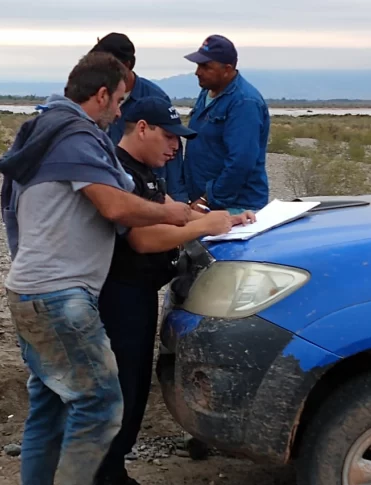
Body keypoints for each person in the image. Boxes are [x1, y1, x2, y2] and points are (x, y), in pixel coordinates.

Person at [0, 52, 194, 485]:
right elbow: (116, 205)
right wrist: (177, 215)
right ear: (101, 95)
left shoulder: (43, 128)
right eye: (120, 100)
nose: (122, 110)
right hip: (59, 295)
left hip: (30, 289)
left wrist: (170, 210)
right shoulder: (74, 135)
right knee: (102, 405)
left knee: (49, 407)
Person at [93, 96, 255, 485]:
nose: (174, 147)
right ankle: (105, 473)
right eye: (168, 137)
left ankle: (113, 470)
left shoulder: (145, 172)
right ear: (142, 128)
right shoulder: (122, 172)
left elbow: (173, 207)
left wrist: (227, 220)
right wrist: (205, 227)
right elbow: (143, 239)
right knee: (121, 388)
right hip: (120, 296)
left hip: (141, 293)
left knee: (134, 384)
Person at [89, 32, 187, 202]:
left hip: (148, 194)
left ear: (126, 65)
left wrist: (178, 202)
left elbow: (172, 156)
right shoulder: (94, 97)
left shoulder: (155, 98)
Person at [181, 34, 271, 215]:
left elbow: (240, 162)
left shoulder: (244, 102)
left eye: (206, 66)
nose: (198, 71)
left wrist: (207, 199)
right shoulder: (207, 92)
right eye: (198, 65)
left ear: (227, 69)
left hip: (236, 207)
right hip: (205, 203)